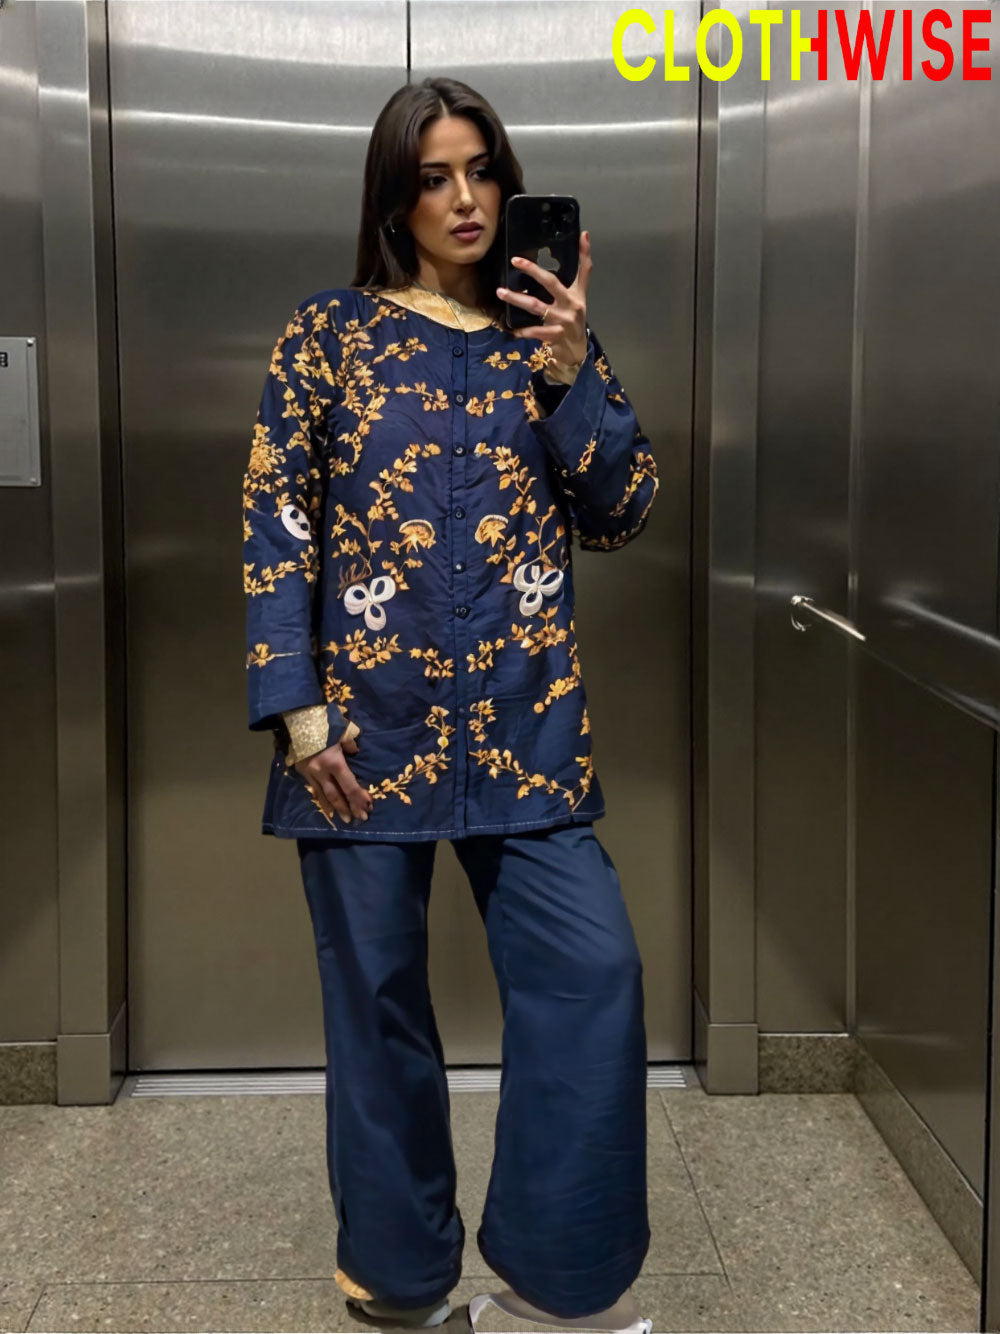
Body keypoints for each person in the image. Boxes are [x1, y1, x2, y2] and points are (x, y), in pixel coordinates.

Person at [242, 75, 658, 1334]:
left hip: (527, 730)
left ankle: (556, 1281)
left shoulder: (551, 341)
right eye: (433, 176)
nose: (465, 198)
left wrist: (574, 372)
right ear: (395, 196)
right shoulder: (328, 336)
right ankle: (401, 1281)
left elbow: (622, 513)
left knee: (595, 972)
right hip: (361, 735)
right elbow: (276, 521)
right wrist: (296, 710)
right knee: (375, 1012)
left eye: (480, 169)